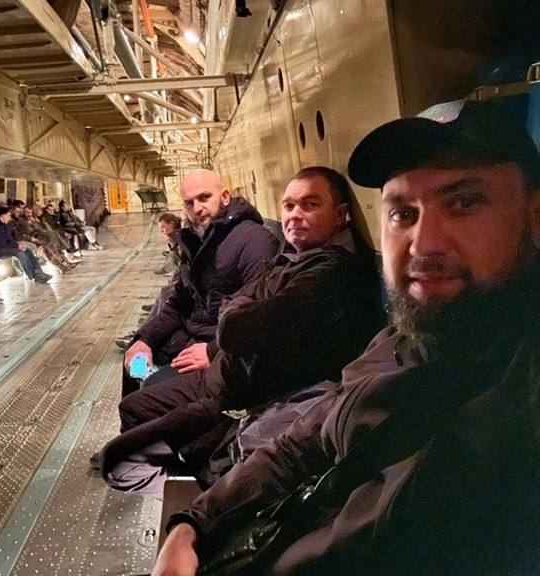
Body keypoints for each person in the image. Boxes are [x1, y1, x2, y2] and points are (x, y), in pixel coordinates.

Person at [153, 99, 540, 576]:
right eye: (403, 213)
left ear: (535, 217)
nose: (424, 244)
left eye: (464, 204)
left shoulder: (515, 408)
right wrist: (191, 526)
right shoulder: (402, 342)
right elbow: (304, 442)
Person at [101, 167, 384, 497]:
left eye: (310, 205)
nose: (295, 215)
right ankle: (187, 475)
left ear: (340, 215)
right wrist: (144, 339)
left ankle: (196, 491)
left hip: (233, 387)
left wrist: (217, 343)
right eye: (289, 206)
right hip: (222, 372)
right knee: (134, 391)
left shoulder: (304, 261)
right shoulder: (286, 256)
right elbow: (196, 304)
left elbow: (239, 326)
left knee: (124, 450)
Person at [120, 169, 280, 397]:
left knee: (148, 395)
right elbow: (180, 304)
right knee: (134, 366)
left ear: (225, 197)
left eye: (205, 198)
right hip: (190, 341)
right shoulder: (196, 241)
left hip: (225, 352)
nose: (197, 208)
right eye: (189, 203)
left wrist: (213, 352)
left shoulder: (255, 241)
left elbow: (261, 315)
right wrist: (144, 339)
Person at [0, 205, 51, 283]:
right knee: (20, 253)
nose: (10, 218)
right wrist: (16, 246)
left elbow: (9, 238)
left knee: (27, 250)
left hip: (3, 247)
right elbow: (0, 243)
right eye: (9, 216)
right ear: (3, 215)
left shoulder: (4, 224)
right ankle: (33, 276)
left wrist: (18, 244)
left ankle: (39, 272)